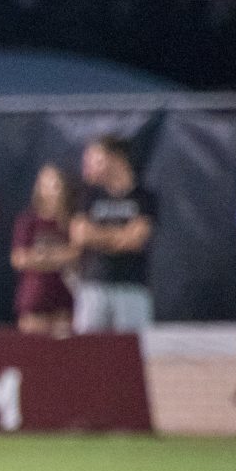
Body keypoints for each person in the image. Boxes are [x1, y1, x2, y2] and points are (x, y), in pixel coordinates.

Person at [70, 137, 158, 333]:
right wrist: (118, 236)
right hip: (93, 287)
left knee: (131, 351)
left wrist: (98, 236)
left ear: (115, 159)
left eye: (94, 159)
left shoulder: (144, 197)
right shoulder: (88, 196)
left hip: (132, 288)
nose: (88, 166)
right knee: (87, 352)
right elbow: (80, 235)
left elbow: (135, 240)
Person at [10, 164, 79, 336]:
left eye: (55, 185)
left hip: (64, 300)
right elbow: (20, 259)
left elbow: (75, 254)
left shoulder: (71, 222)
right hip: (34, 300)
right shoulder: (28, 222)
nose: (50, 191)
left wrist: (41, 257)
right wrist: (57, 258)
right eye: (45, 185)